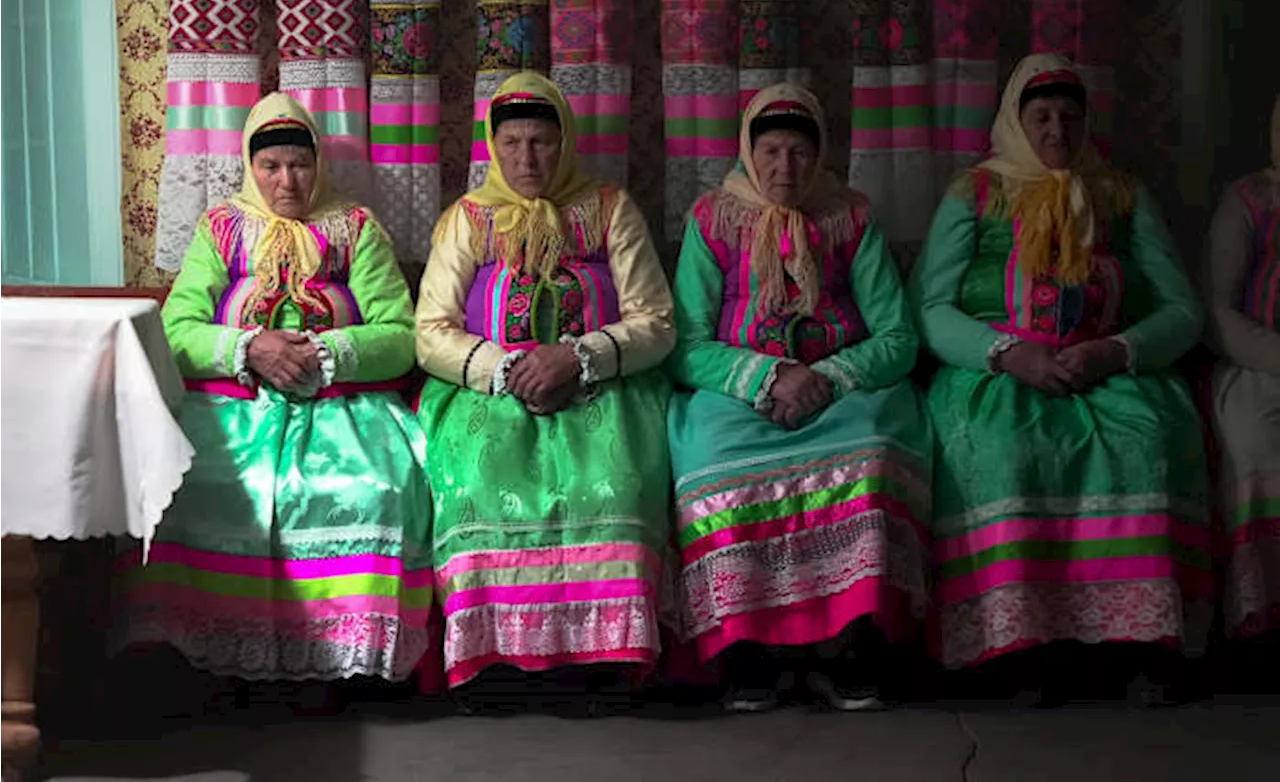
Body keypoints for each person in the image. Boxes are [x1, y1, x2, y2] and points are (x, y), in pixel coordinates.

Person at [912, 53, 1211, 703]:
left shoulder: (1121, 193)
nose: (1056, 131)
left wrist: (1117, 351)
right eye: (1041, 116)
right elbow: (929, 307)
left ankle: (1136, 648)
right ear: (1016, 121)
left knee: (1147, 440)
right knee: (1004, 448)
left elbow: (1183, 309)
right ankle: (1017, 649)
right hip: (998, 370)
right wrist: (1005, 353)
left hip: (1107, 365)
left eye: (1070, 117)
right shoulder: (976, 192)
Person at [116, 93, 432, 692]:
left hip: (343, 409)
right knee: (184, 484)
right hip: (231, 407)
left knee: (374, 489)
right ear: (249, 166)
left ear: (319, 165)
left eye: (300, 164)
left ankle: (341, 670)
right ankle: (196, 665)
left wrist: (325, 352)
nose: (287, 180)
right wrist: (249, 348)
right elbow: (178, 329)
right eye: (271, 166)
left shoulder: (355, 228)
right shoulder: (221, 229)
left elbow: (400, 334)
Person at [665, 84, 932, 712]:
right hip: (740, 392)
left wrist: (827, 379)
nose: (786, 169)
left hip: (842, 391)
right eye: (772, 152)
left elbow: (898, 336)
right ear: (747, 153)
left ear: (822, 158)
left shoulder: (851, 218)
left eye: (801, 154)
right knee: (712, 465)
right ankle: (750, 652)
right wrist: (767, 377)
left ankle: (851, 646)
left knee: (870, 458)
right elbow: (685, 342)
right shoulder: (712, 219)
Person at [414, 72, 675, 698]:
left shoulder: (610, 209)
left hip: (600, 389)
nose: (526, 159)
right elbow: (430, 331)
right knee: (477, 482)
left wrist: (578, 357)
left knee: (611, 484)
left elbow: (656, 321)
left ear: (567, 143)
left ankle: (603, 663)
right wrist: (504, 368)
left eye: (541, 142)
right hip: (489, 392)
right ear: (492, 146)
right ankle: (496, 665)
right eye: (511, 143)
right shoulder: (468, 220)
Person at [1207, 92, 1280, 641]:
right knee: (1256, 441)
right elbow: (1217, 309)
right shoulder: (1252, 200)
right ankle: (1263, 623)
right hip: (1260, 363)